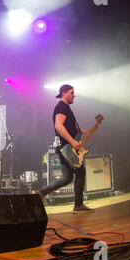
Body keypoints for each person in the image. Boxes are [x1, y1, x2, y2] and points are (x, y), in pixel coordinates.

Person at [33, 84, 95, 214]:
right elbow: (59, 126)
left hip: (63, 148)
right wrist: (73, 142)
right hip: (66, 148)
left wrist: (86, 131)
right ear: (63, 93)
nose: (74, 95)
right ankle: (78, 205)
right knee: (80, 172)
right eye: (71, 93)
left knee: (67, 178)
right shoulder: (61, 107)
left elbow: (70, 128)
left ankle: (38, 194)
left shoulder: (65, 108)